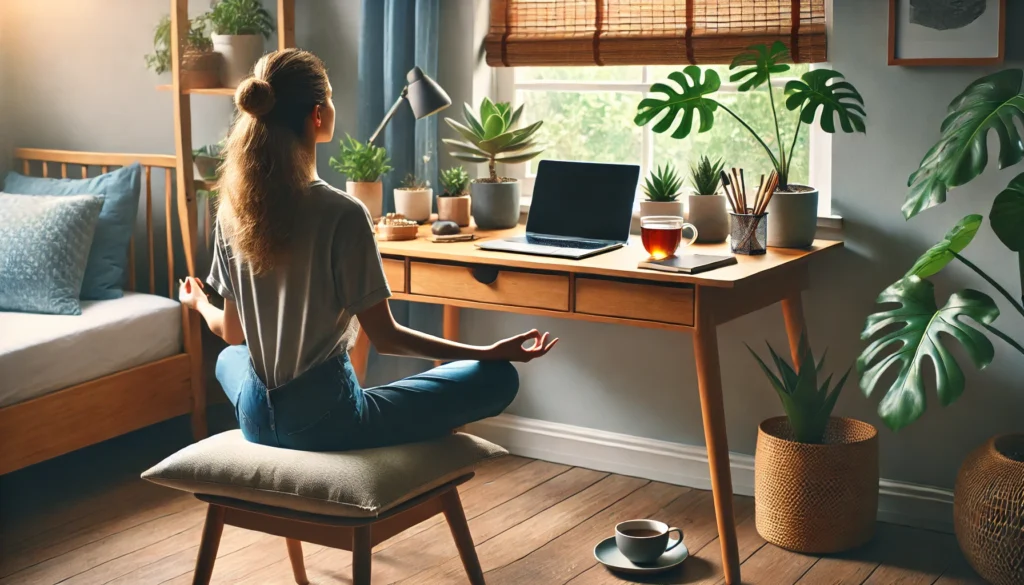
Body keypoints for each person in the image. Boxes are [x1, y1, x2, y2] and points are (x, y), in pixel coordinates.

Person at [178, 49, 557, 452]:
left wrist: (200, 303)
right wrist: (486, 351)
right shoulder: (342, 212)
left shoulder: (233, 211)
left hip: (256, 416)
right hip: (326, 421)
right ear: (318, 114)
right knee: (499, 378)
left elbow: (232, 333)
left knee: (228, 359)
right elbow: (387, 337)